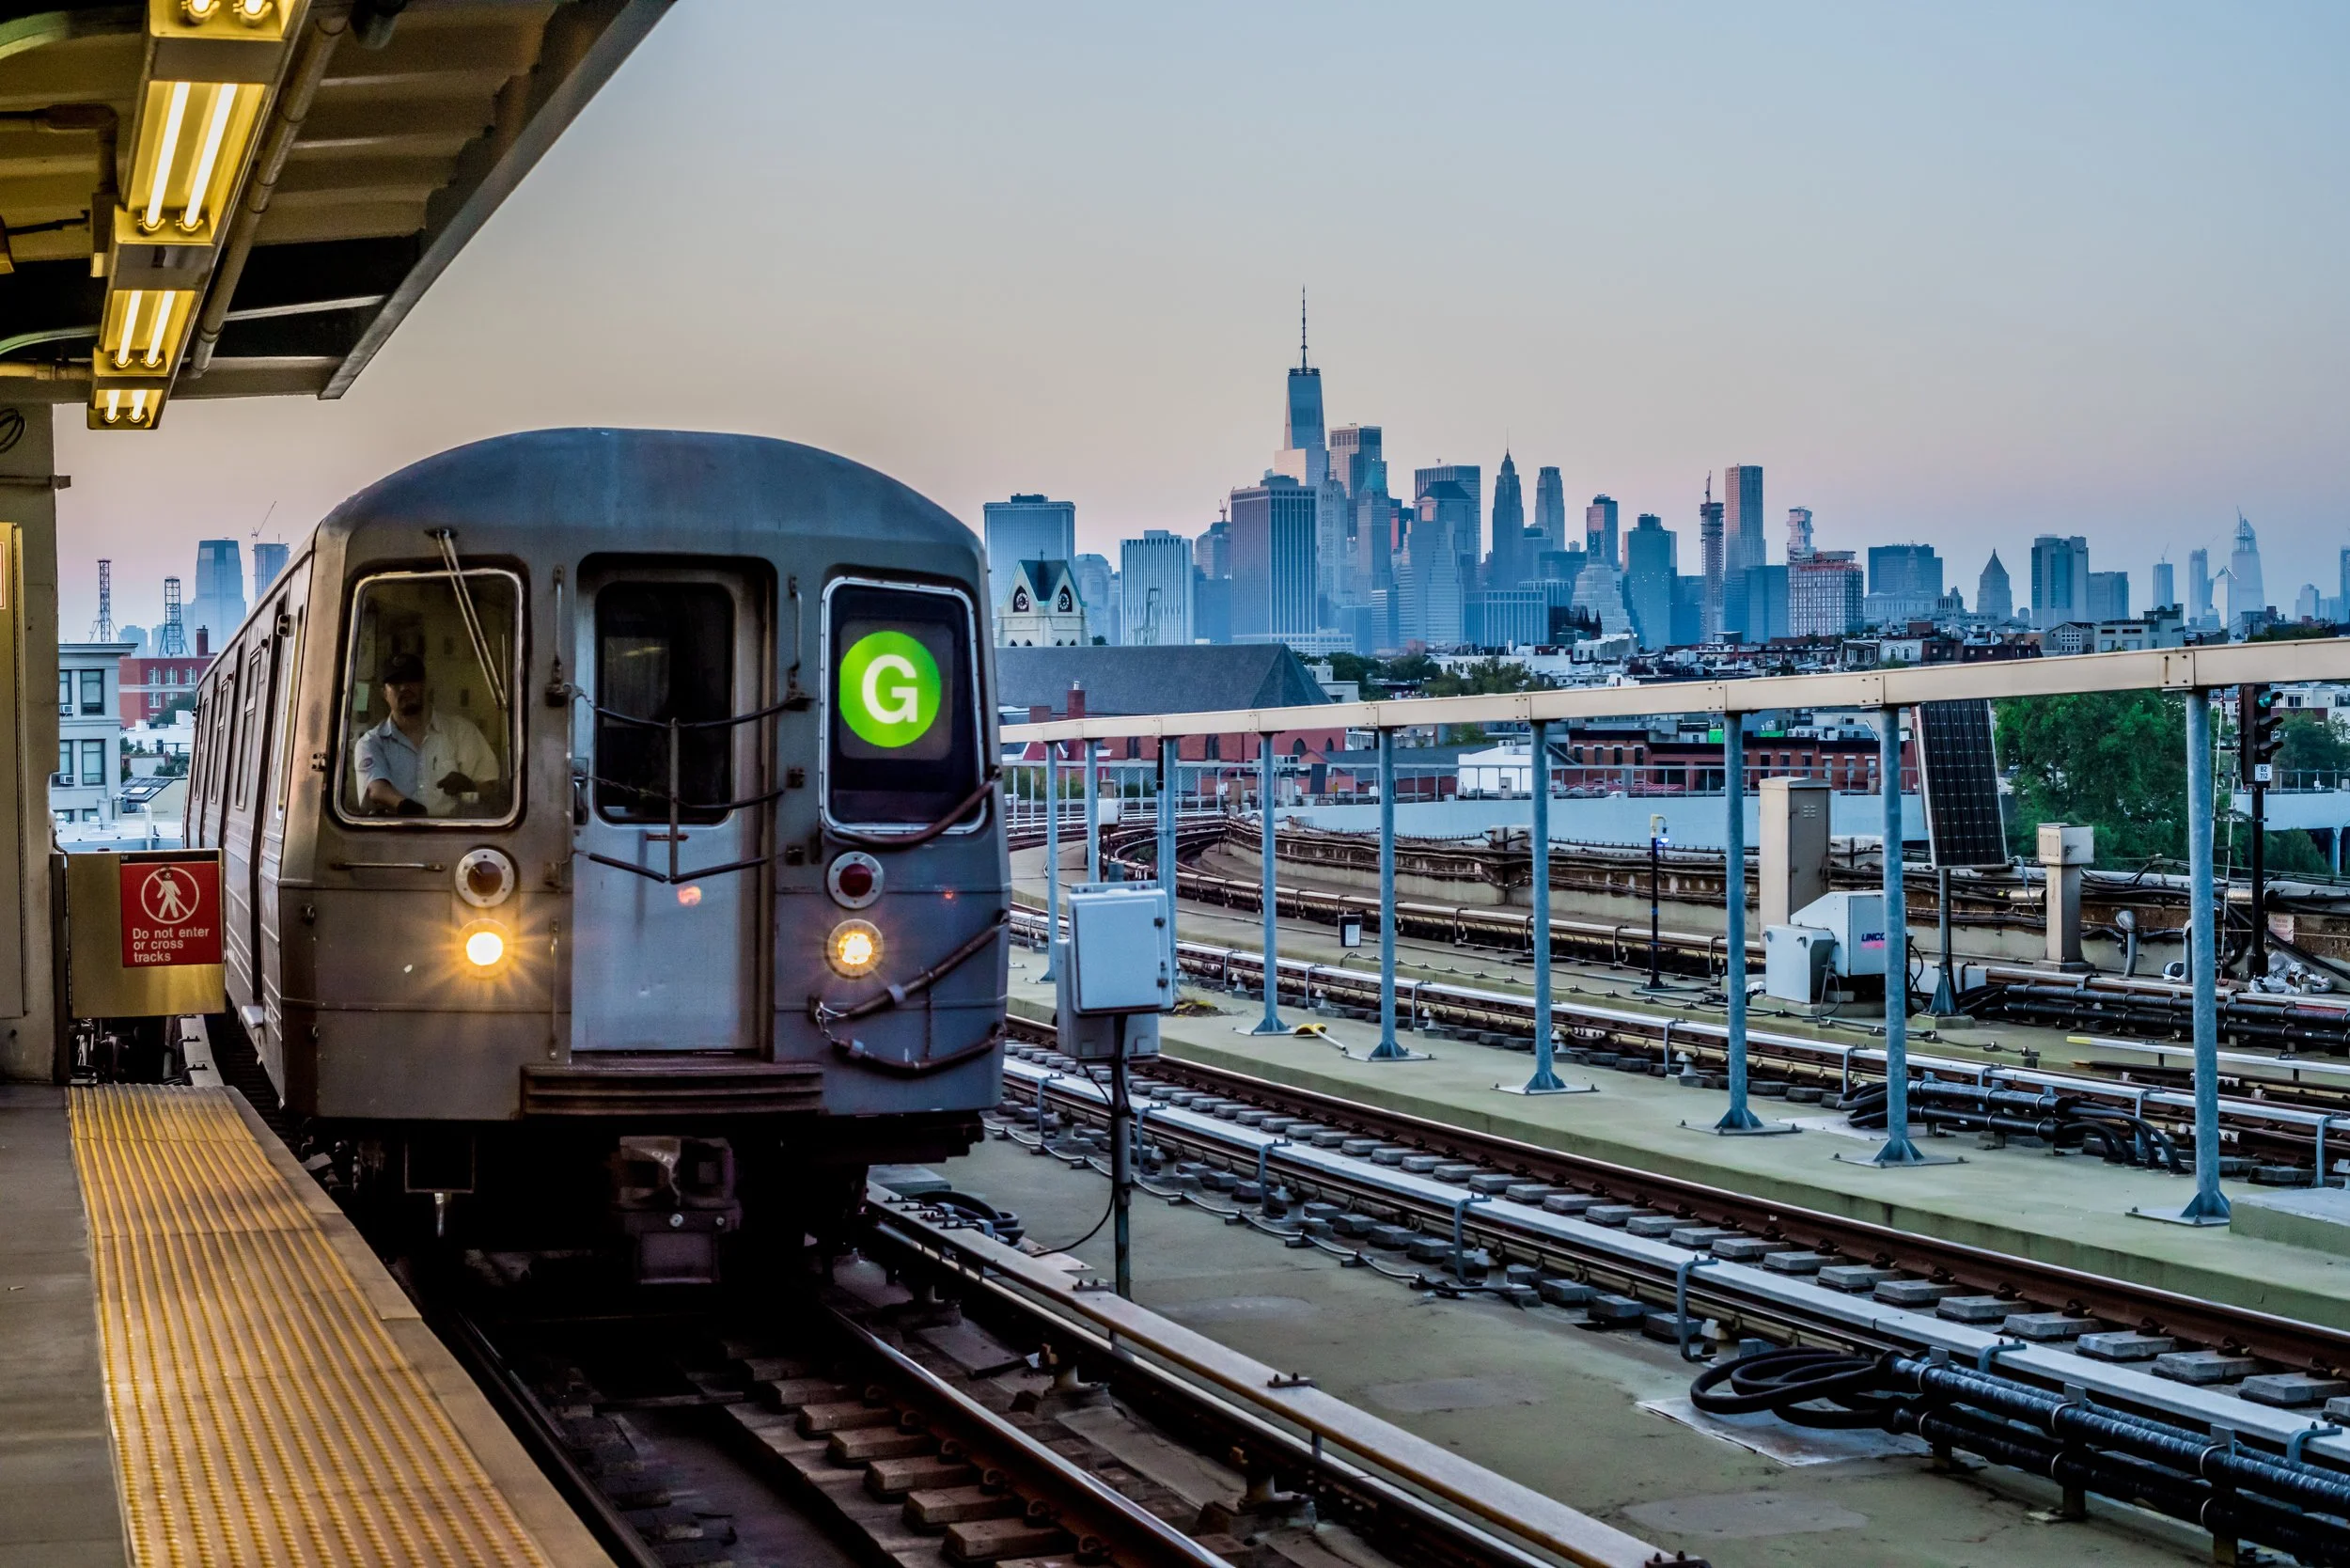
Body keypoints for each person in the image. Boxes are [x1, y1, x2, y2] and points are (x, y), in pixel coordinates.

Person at [354, 651, 501, 817]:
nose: (404, 688)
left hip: (455, 835)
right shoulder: (371, 742)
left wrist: (471, 787)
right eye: (396, 683)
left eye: (412, 680)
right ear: (384, 693)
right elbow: (377, 790)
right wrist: (410, 810)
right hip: (394, 837)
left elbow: (491, 788)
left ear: (425, 686)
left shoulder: (461, 731)